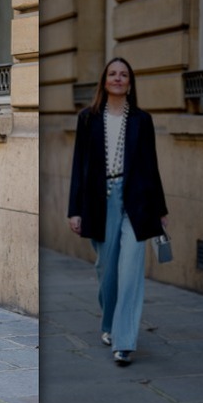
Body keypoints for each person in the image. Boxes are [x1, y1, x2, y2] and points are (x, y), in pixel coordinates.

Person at [67, 57, 168, 366]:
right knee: (107, 271)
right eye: (113, 74)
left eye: (124, 75)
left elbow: (151, 166)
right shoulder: (88, 118)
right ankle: (110, 323)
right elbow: (79, 167)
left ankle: (124, 342)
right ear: (104, 80)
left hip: (136, 202)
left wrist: (160, 210)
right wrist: (75, 209)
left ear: (130, 82)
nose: (118, 78)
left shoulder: (141, 120)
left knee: (130, 272)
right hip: (100, 202)